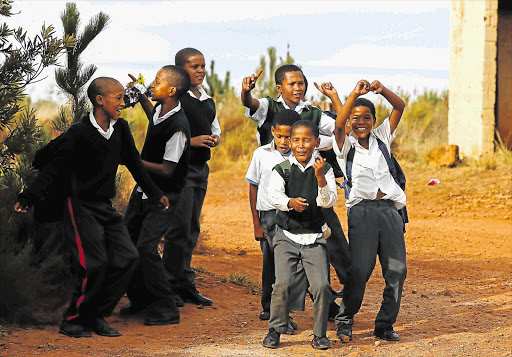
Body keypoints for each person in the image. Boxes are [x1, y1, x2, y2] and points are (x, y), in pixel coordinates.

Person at [14, 77, 169, 338]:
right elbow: (53, 168)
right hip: (79, 205)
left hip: (104, 206)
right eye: (118, 98)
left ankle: (95, 314)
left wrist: (155, 194)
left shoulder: (120, 129)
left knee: (127, 257)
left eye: (123, 98)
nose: (123, 102)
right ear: (100, 100)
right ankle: (73, 319)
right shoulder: (80, 132)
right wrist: (28, 196)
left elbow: (135, 164)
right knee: (94, 263)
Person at [332, 79, 407, 342]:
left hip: (390, 211)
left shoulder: (382, 138)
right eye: (355, 118)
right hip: (362, 213)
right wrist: (353, 93)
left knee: (396, 271)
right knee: (361, 270)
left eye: (366, 117)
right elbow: (339, 124)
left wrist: (382, 90)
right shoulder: (344, 146)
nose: (360, 122)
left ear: (374, 120)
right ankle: (345, 320)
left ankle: (384, 325)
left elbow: (400, 106)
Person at [120, 65, 191, 326]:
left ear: (171, 90)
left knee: (146, 250)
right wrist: (140, 95)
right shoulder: (162, 110)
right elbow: (154, 118)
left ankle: (166, 307)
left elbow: (167, 168)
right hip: (145, 190)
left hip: (164, 197)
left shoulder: (179, 128)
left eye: (158, 82)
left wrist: (131, 161)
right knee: (128, 245)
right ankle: (140, 300)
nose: (152, 83)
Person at [263, 120, 337, 350]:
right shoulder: (282, 169)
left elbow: (329, 201)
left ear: (316, 142)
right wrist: (290, 203)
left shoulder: (325, 169)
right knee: (282, 284)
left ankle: (320, 334)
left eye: (307, 140)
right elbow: (273, 196)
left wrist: (321, 178)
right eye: (296, 140)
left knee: (322, 286)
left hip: (314, 238)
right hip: (286, 235)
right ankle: (275, 329)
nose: (301, 145)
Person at [162, 48, 220, 306]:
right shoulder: (175, 99)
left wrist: (213, 138)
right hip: (180, 172)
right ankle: (168, 285)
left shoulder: (207, 100)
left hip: (200, 171)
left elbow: (213, 127)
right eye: (193, 66)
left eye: (203, 66)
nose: (200, 71)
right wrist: (192, 141)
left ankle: (185, 283)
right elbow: (162, 134)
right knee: (178, 229)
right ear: (180, 71)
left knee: (192, 229)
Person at [245, 109, 308, 331]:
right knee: (269, 264)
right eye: (279, 136)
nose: (283, 142)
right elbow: (253, 186)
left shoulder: (301, 156)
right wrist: (256, 222)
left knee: (290, 266)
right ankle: (268, 308)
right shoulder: (261, 154)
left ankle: (284, 311)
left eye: (288, 137)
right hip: (268, 217)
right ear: (272, 132)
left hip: (292, 217)